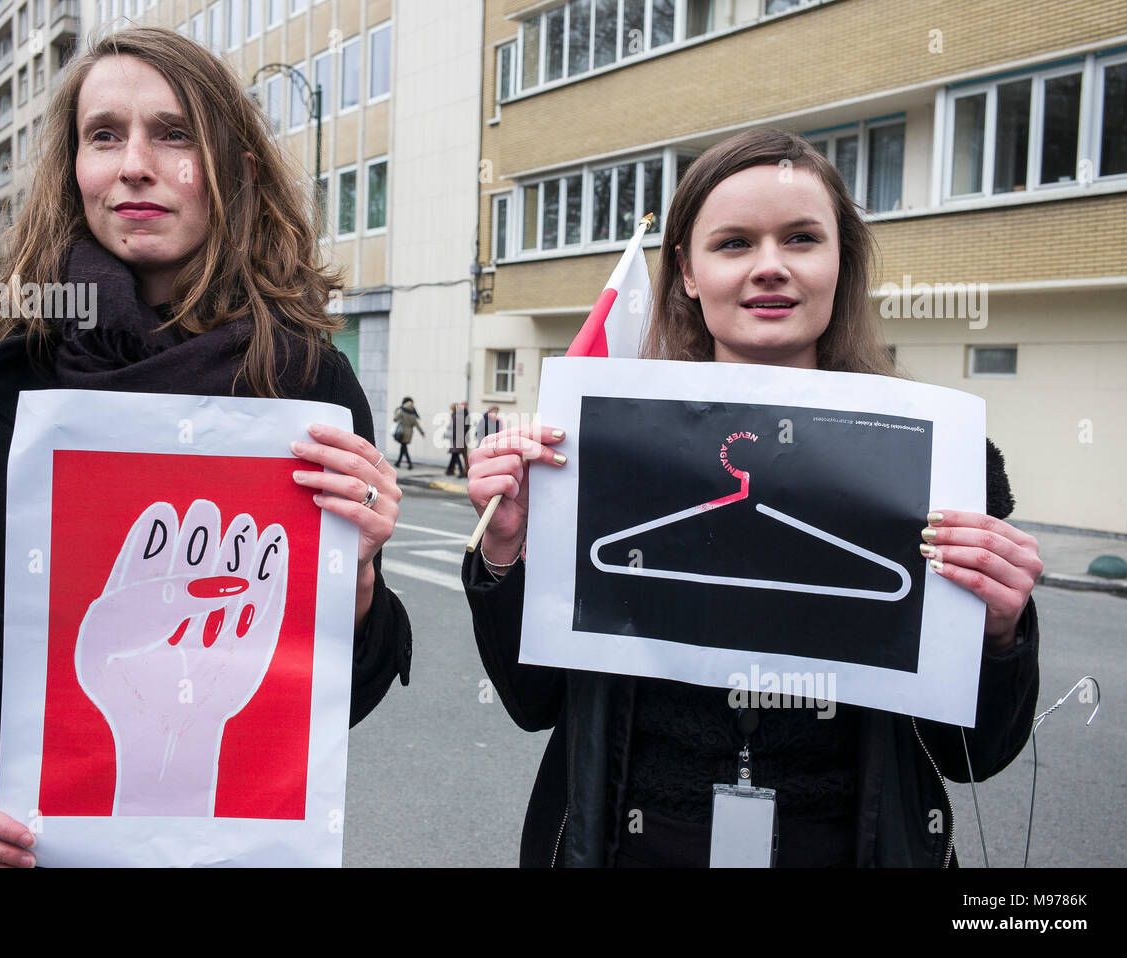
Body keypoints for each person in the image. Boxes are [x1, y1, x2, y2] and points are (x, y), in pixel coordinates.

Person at [0, 27, 411, 868]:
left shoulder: (307, 388)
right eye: (104, 135)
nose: (134, 163)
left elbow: (327, 702)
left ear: (237, 168)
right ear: (74, 170)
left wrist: (354, 577)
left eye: (173, 134)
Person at [462, 128, 1042, 867]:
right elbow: (532, 702)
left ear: (841, 262)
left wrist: (1000, 635)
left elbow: (975, 753)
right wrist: (507, 551)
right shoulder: (595, 453)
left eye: (801, 238)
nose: (770, 267)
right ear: (687, 271)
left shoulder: (943, 464)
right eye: (734, 243)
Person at [392, 396, 423, 469]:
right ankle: (398, 462)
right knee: (403, 447)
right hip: (409, 432)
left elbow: (395, 419)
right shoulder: (413, 412)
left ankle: (409, 464)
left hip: (402, 432)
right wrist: (422, 433)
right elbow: (416, 424)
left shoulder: (402, 410)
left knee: (404, 447)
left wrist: (397, 412)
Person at [444, 401, 469, 477]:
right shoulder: (460, 415)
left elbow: (454, 427)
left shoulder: (457, 415)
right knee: (455, 454)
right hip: (459, 437)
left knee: (456, 454)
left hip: (457, 438)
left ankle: (461, 471)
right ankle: (450, 470)